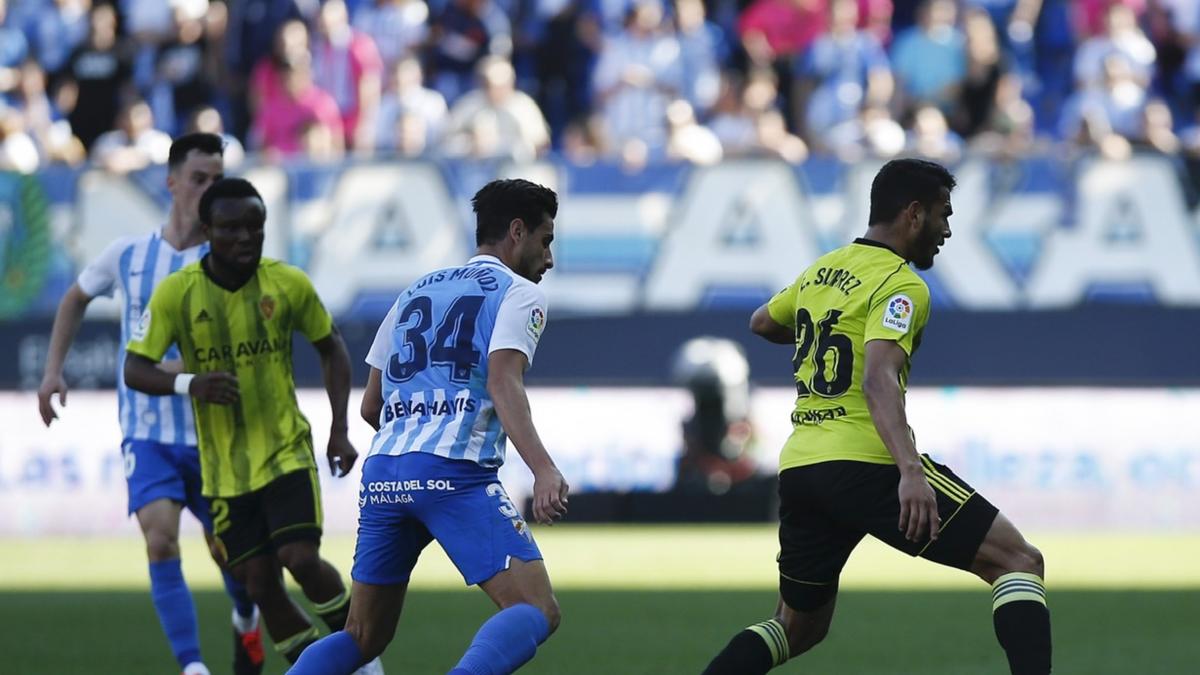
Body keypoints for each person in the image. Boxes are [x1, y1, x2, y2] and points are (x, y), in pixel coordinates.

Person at [702, 159, 1052, 675]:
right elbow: (877, 380)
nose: (948, 230)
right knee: (1020, 561)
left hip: (802, 467)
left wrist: (818, 321)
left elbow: (762, 322)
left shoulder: (824, 269)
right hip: (870, 462)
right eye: (943, 215)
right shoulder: (902, 285)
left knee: (798, 627)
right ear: (914, 214)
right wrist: (910, 472)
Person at [287, 178, 569, 674]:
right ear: (517, 232)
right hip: (454, 474)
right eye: (545, 241)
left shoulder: (414, 293)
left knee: (361, 635)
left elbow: (371, 405)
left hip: (385, 472)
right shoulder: (520, 295)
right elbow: (504, 384)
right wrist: (543, 470)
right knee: (534, 608)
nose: (549, 258)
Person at [121, 177, 382, 674]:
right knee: (259, 585)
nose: (244, 237)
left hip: (285, 451)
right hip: (221, 473)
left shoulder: (287, 283)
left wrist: (340, 428)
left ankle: (366, 658)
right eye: (231, 228)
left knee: (300, 558)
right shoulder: (178, 293)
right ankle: (320, 668)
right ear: (206, 230)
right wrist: (189, 385)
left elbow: (331, 348)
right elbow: (135, 367)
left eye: (254, 226)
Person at [36, 133, 264, 675]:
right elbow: (75, 297)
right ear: (172, 183)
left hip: (215, 436)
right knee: (159, 539)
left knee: (231, 558)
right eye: (199, 179)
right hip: (148, 434)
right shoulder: (129, 256)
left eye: (217, 180)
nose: (208, 190)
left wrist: (189, 368)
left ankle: (246, 618)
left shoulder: (231, 263)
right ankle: (193, 667)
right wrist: (52, 372)